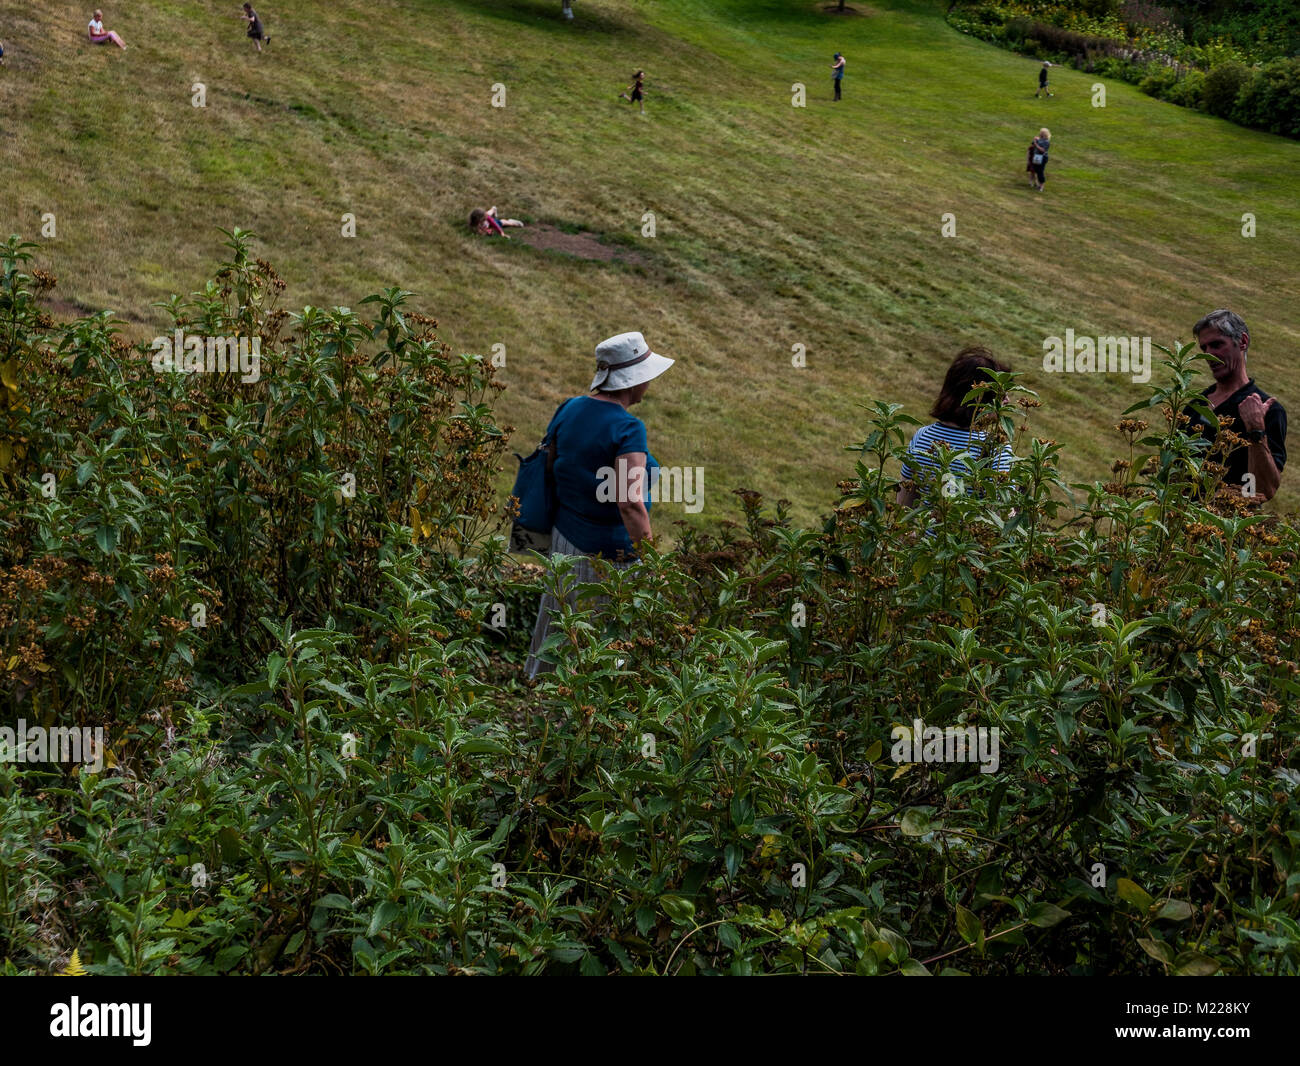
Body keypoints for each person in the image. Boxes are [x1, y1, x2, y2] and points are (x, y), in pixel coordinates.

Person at [524, 331, 674, 680]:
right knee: (605, 647)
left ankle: (544, 700)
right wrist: (653, 562)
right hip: (609, 559)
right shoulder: (627, 429)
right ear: (633, 381)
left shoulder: (570, 408)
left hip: (564, 543)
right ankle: (593, 719)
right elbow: (630, 503)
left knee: (560, 630)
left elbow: (551, 467)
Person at [1181, 309, 1285, 502]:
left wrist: (1256, 430)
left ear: (1242, 342)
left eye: (1217, 345)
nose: (1209, 355)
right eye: (1204, 349)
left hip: (1229, 526)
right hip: (1182, 525)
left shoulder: (1267, 410)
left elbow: (1262, 490)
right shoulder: (1195, 405)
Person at [897, 347, 1014, 509]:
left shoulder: (922, 436)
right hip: (966, 534)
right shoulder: (996, 448)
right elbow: (1003, 510)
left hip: (924, 533)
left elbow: (904, 501)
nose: (1007, 400)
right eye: (1001, 394)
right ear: (979, 396)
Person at [1027, 127, 1050, 191]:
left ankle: (1042, 186)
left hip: (1042, 157)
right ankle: (1038, 184)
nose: (1040, 134)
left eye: (1042, 133)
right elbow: (1032, 144)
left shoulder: (1046, 142)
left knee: (1040, 171)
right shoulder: (1039, 139)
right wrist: (1034, 140)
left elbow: (1043, 150)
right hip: (1036, 157)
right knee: (1036, 170)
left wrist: (1036, 144)